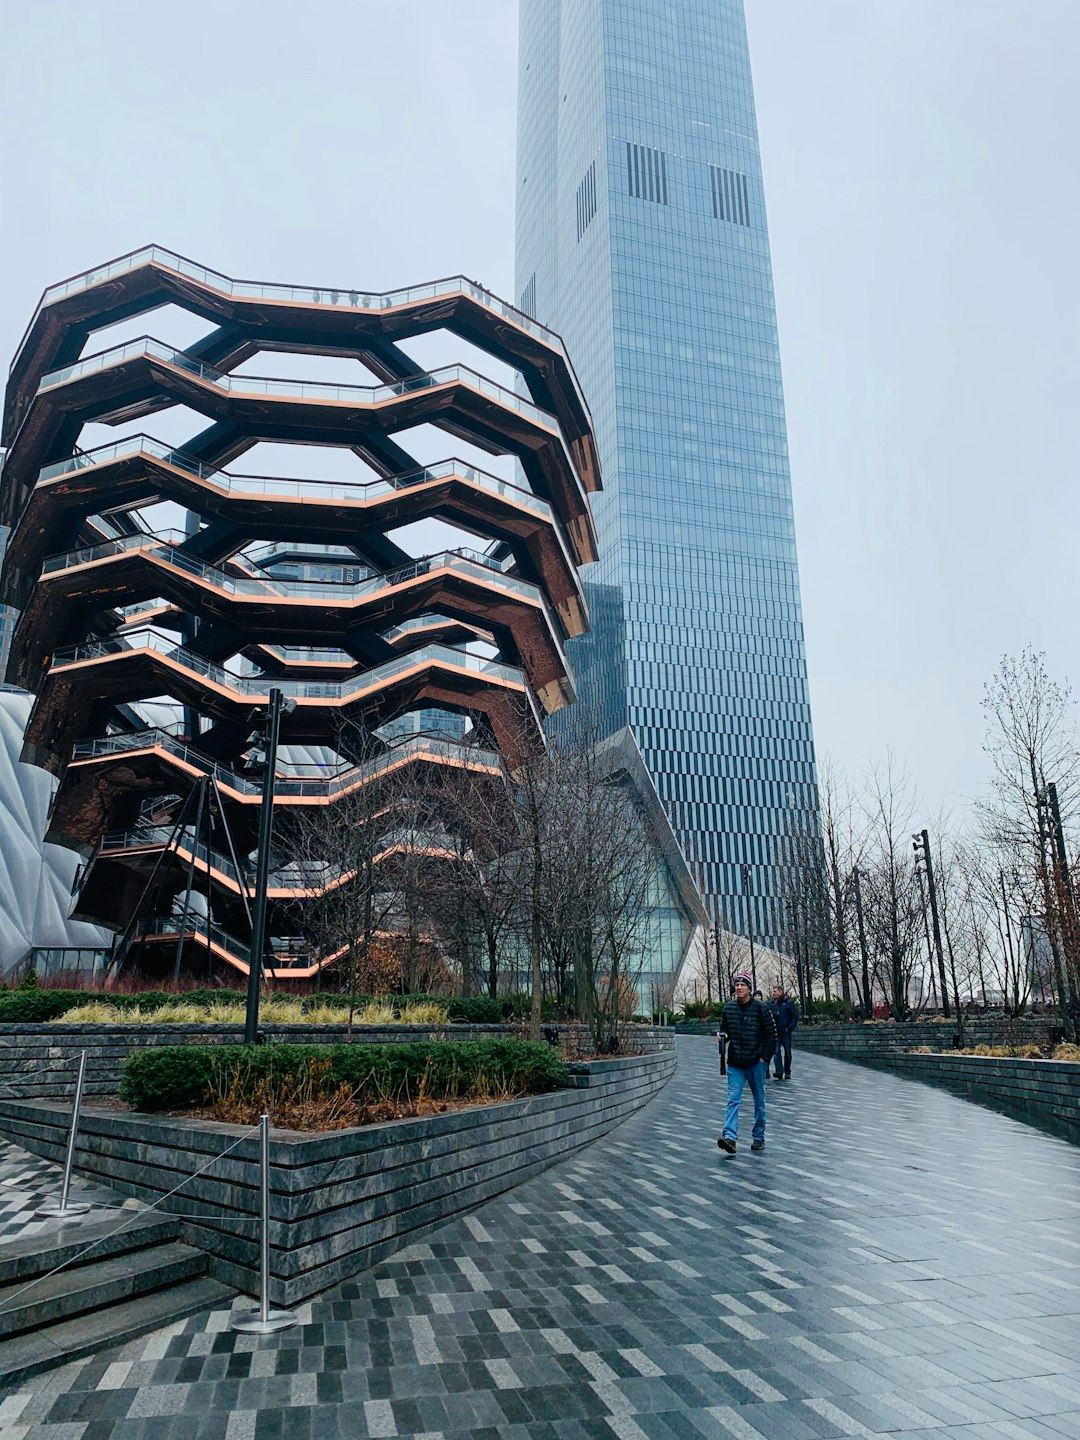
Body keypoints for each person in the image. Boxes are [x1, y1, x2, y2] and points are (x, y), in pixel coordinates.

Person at [716, 971, 776, 1155]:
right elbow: (724, 1030)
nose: (739, 987)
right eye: (737, 985)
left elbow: (771, 1036)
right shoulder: (728, 1009)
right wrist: (722, 1037)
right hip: (735, 1063)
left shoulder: (761, 1009)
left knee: (759, 1101)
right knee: (733, 1100)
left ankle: (759, 1137)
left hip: (755, 1063)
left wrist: (763, 1059)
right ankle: (729, 1138)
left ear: (749, 987)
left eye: (743, 985)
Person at [769, 983, 799, 1079]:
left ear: (780, 992)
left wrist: (789, 1028)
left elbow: (794, 1016)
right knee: (776, 1051)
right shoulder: (772, 1003)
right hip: (776, 1031)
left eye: (775, 991)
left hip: (785, 1031)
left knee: (787, 1051)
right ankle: (779, 1071)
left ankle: (787, 1071)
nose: (773, 993)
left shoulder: (788, 1002)